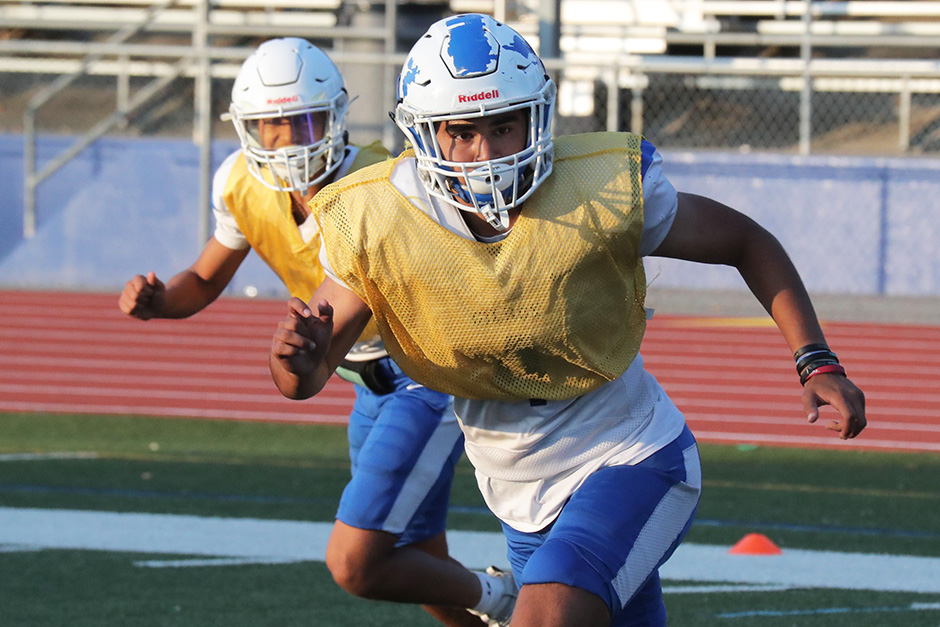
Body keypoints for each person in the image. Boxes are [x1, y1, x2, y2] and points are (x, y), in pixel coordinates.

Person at [268, 14, 867, 627]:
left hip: (631, 455)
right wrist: (298, 358)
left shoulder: (596, 188)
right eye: (463, 132)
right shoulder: (377, 219)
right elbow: (302, 382)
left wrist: (815, 360)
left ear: (538, 116)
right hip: (518, 491)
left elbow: (744, 239)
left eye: (505, 127)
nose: (488, 154)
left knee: (546, 615)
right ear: (424, 134)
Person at [119, 37, 515, 627]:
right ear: (247, 130)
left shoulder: (385, 178)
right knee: (416, 553)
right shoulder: (240, 185)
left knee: (359, 559)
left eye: (301, 122)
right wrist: (159, 302)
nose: (286, 141)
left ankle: (506, 599)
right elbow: (203, 279)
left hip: (422, 376)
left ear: (333, 117)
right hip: (360, 382)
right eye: (270, 127)